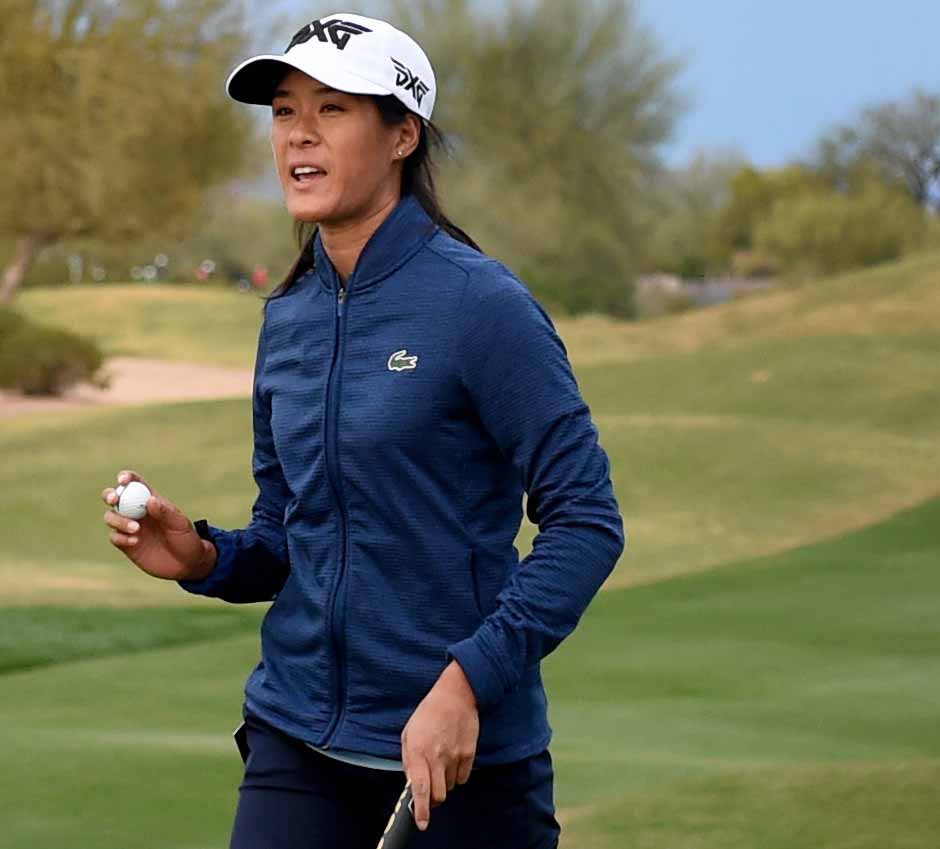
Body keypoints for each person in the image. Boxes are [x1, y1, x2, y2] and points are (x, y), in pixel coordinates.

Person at [100, 12, 623, 848]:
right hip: (296, 736)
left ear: (402, 135)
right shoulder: (290, 317)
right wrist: (202, 557)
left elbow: (587, 521)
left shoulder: (481, 306)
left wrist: (468, 679)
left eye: (333, 109)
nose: (298, 134)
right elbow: (289, 535)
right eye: (284, 111)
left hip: (459, 764)